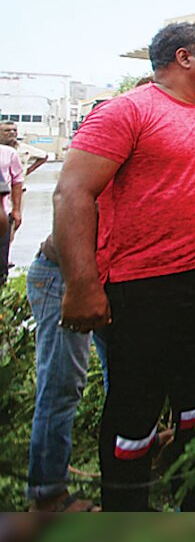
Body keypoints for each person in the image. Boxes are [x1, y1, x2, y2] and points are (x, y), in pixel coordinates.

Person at [55, 22, 195, 511]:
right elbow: (72, 193)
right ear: (184, 58)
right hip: (138, 287)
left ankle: (192, 504)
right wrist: (82, 286)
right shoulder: (128, 111)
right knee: (135, 408)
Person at [26, 233, 110, 512]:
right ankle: (48, 495)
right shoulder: (87, 190)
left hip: (103, 277)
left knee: (123, 375)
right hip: (63, 277)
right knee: (61, 386)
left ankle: (123, 461)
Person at [0, 138, 24, 286]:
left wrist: (16, 210)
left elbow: (17, 182)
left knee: (2, 258)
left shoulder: (8, 153)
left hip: (4, 213)